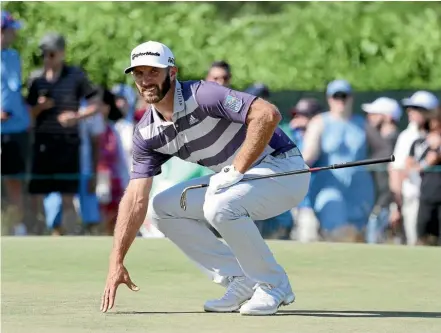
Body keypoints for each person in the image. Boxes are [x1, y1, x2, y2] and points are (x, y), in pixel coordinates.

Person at [100, 41, 309, 316]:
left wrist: (236, 169)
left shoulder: (203, 95)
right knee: (161, 209)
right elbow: (136, 198)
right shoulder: (147, 133)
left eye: (153, 71)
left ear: (171, 72)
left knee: (219, 206)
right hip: (235, 181)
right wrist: (116, 262)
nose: (146, 80)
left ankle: (274, 285)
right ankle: (240, 278)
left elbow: (267, 114)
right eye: (139, 74)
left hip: (284, 172)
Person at [26, 33, 99, 235]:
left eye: (50, 53)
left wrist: (76, 116)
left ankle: (69, 239)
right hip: (42, 145)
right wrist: (39, 108)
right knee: (37, 195)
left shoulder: (76, 76)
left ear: (61, 53)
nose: (47, 58)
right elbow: (27, 115)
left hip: (68, 144)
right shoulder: (35, 79)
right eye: (43, 54)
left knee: (68, 196)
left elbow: (96, 105)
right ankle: (39, 236)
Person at [302, 80, 375, 242]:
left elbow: (383, 149)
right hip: (328, 187)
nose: (341, 100)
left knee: (357, 236)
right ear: (329, 99)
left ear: (351, 98)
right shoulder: (319, 122)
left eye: (344, 96)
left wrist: (370, 163)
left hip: (360, 190)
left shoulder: (362, 124)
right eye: (336, 96)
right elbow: (309, 154)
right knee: (337, 231)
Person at [389, 91, 439, 245]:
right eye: (410, 108)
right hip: (412, 199)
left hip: (434, 198)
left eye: (416, 109)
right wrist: (396, 206)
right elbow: (396, 170)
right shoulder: (407, 136)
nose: (410, 112)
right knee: (417, 244)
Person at [1, 11, 30, 235]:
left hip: (16, 128)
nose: (13, 34)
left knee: (15, 181)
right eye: (10, 30)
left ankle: (18, 227)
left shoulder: (13, 56)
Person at [361, 97, 401, 243]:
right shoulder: (378, 144)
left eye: (375, 114)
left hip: (389, 208)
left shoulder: (397, 141)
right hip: (378, 205)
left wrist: (396, 207)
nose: (369, 117)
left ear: (388, 117)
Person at [95, 87, 129, 235]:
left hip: (113, 179)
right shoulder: (89, 128)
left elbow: (120, 159)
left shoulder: (113, 129)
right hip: (96, 177)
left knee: (113, 218)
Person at [288, 98, 323, 242]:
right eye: (296, 115)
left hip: (314, 202)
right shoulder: (294, 134)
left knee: (309, 241)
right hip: (295, 202)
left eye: (304, 115)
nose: (298, 120)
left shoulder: (320, 136)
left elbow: (306, 159)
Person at [406, 106, 441, 245]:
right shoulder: (419, 142)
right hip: (425, 195)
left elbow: (431, 160)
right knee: (422, 236)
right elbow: (409, 163)